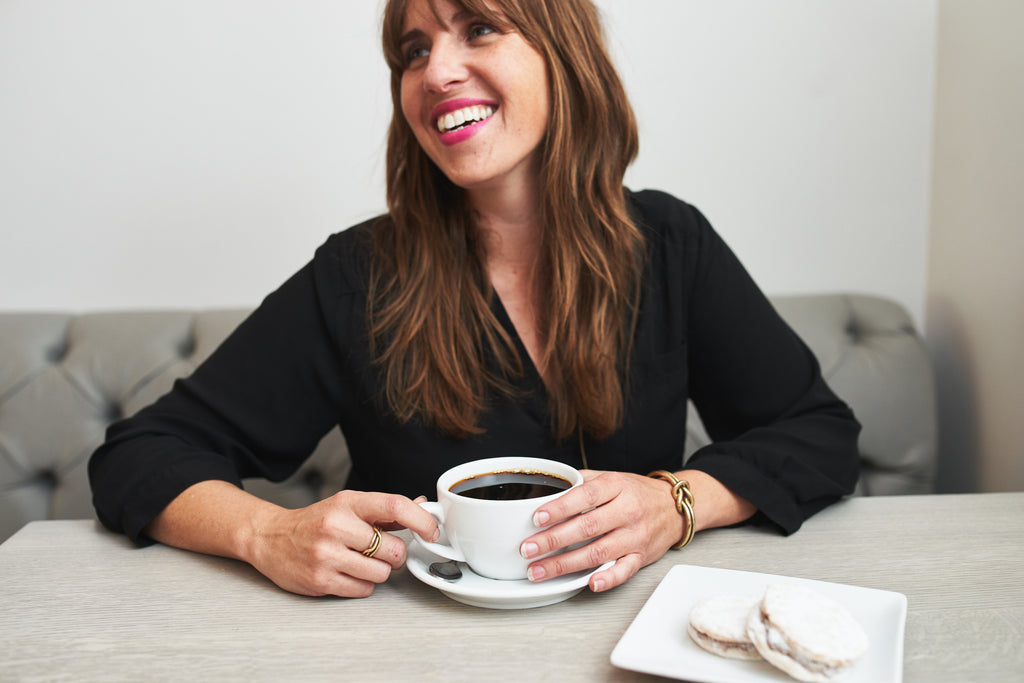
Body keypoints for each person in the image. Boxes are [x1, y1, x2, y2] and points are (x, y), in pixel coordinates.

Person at [88, 0, 860, 599]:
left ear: (563, 54)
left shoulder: (669, 243)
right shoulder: (357, 274)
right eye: (413, 50)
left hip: (632, 637)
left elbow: (819, 432)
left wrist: (680, 501)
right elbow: (138, 457)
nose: (435, 72)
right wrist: (266, 533)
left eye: (479, 29)